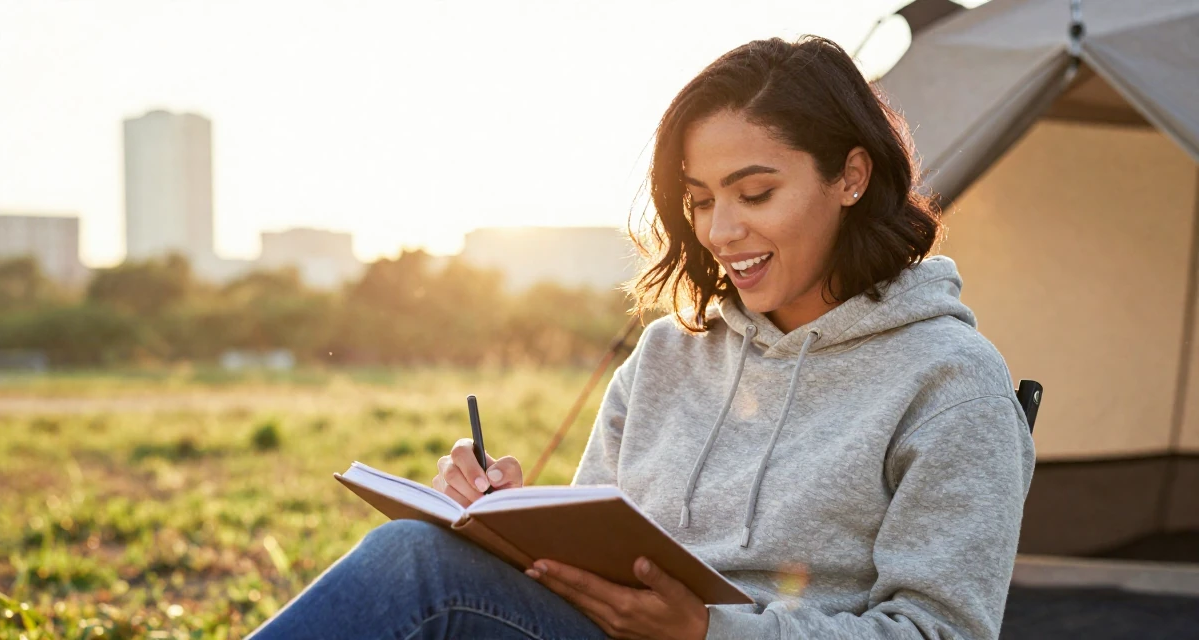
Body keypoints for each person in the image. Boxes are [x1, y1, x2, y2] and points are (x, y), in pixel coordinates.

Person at [249, 35, 1035, 640]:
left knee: (411, 572)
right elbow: (595, 562)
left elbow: (941, 633)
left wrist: (706, 629)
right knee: (424, 558)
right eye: (699, 200)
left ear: (851, 177)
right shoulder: (668, 355)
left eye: (755, 192)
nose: (722, 232)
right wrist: (514, 524)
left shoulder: (948, 381)